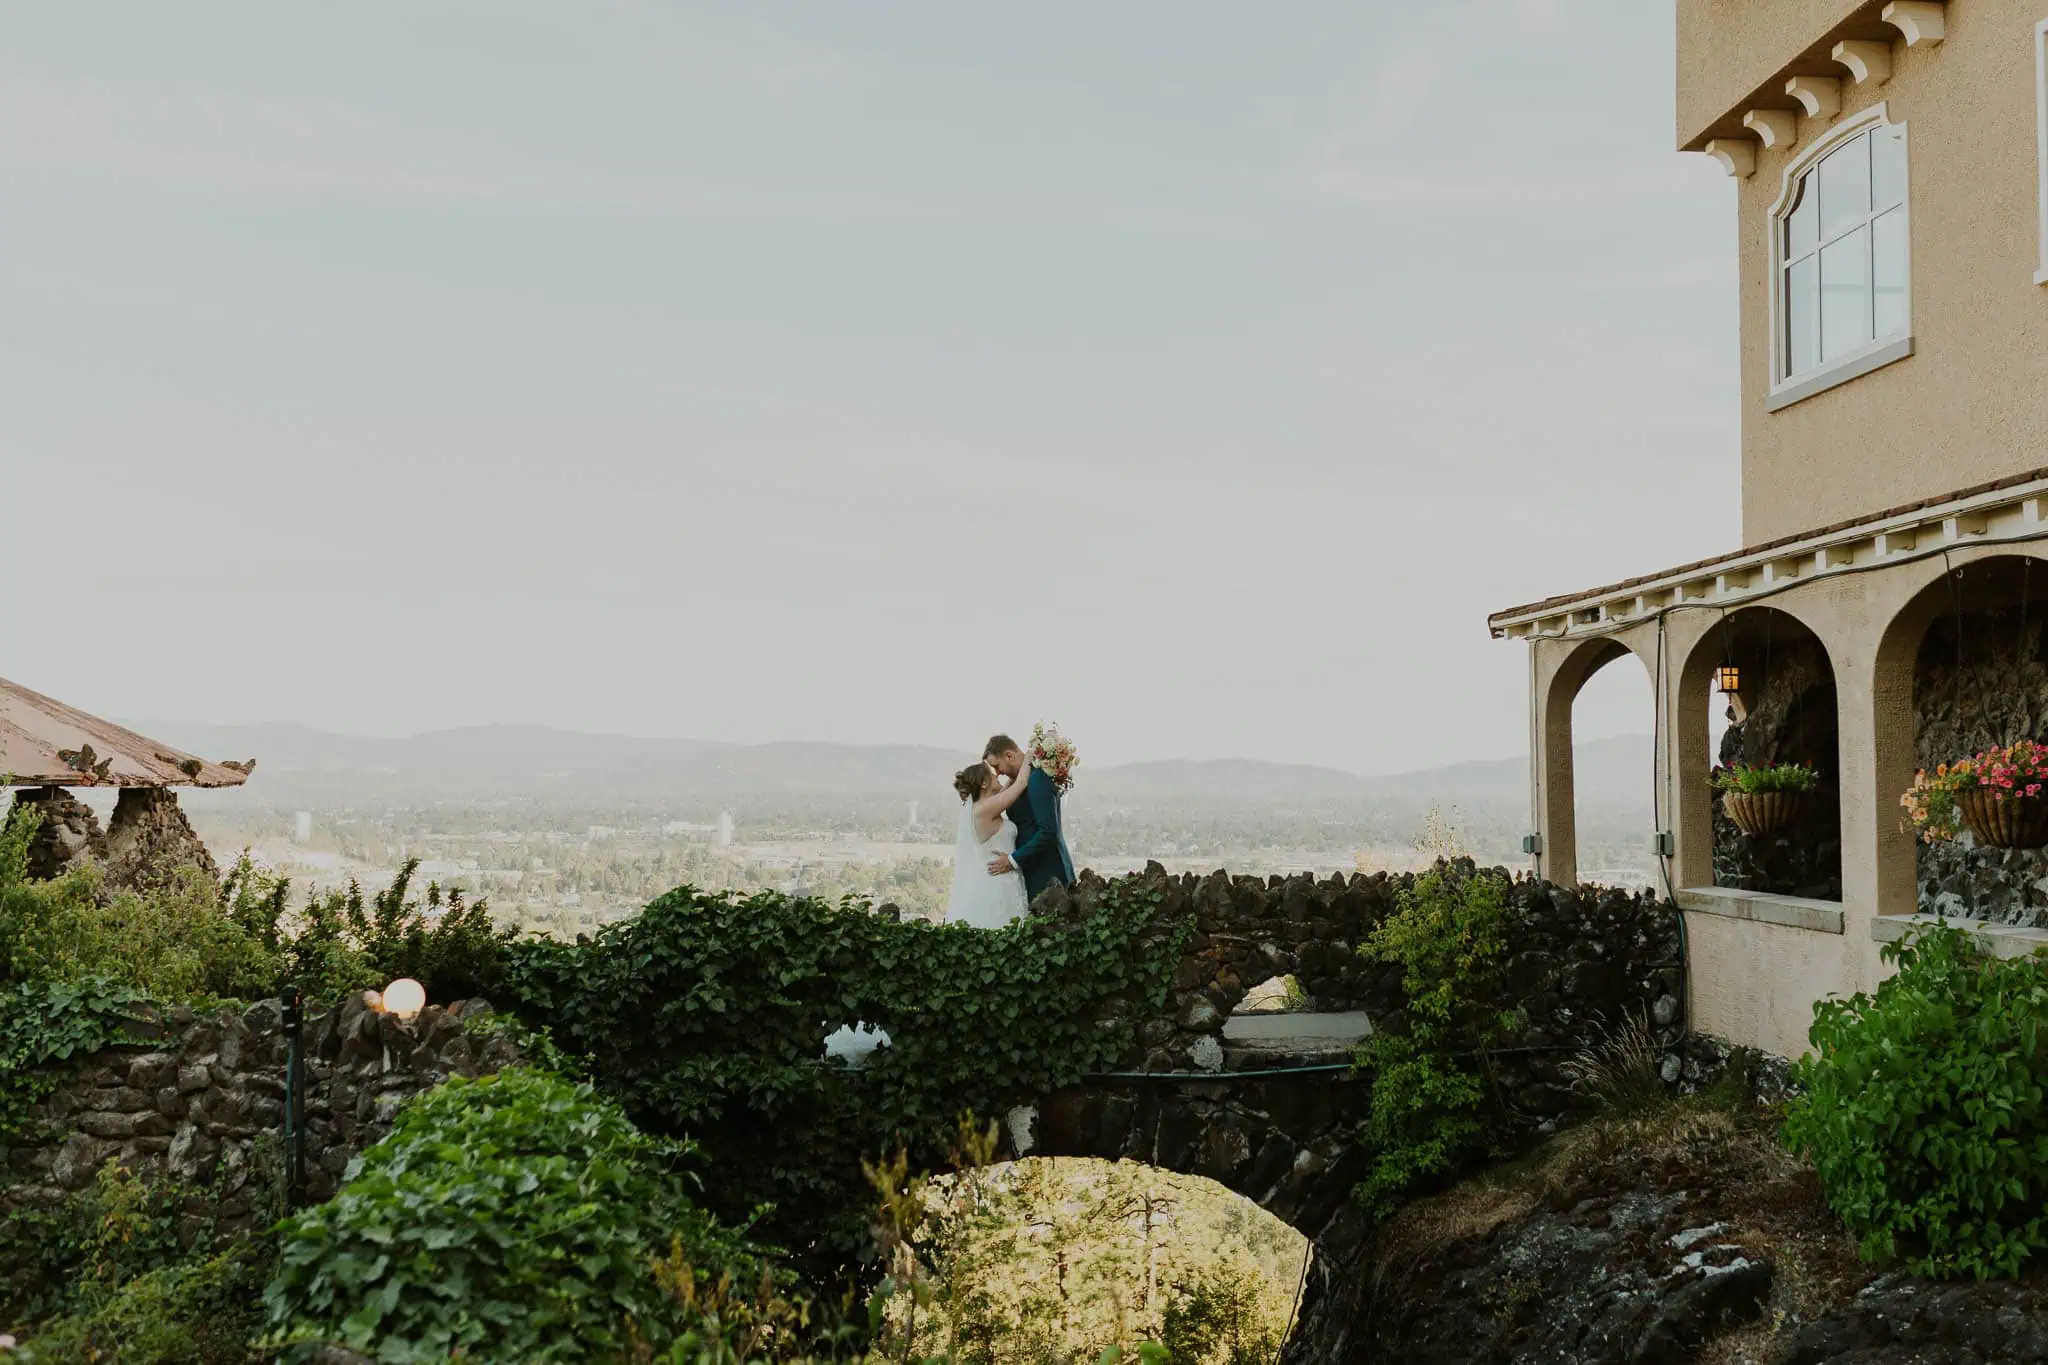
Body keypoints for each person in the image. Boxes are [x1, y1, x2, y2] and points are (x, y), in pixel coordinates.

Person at [981, 733, 1075, 905]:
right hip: (1033, 873)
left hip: (1049, 873)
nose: (997, 773)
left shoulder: (1037, 779)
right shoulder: (1019, 782)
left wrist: (1012, 860)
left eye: (997, 766)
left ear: (1009, 756)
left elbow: (1048, 831)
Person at [945, 755, 1033, 928]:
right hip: (997, 885)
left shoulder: (984, 806)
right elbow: (1021, 784)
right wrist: (1032, 752)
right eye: (993, 774)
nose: (997, 776)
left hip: (1005, 880)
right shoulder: (984, 809)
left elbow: (1011, 787)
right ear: (984, 784)